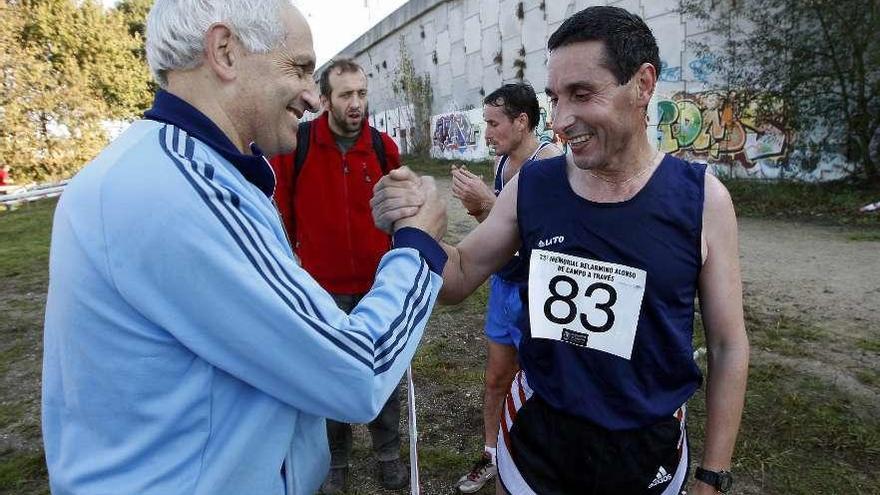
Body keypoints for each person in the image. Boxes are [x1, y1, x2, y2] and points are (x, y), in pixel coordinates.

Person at [41, 2, 447, 495]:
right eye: (298, 67)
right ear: (225, 52)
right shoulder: (178, 191)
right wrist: (418, 244)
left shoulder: (175, 169)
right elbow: (356, 370)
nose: (310, 96)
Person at [373, 6, 749, 495]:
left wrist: (712, 476)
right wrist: (411, 226)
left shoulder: (702, 200)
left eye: (582, 94)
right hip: (537, 445)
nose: (561, 119)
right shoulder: (535, 185)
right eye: (555, 97)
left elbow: (727, 345)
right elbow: (460, 273)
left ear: (643, 84)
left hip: (647, 454)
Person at [268, 58, 407, 494]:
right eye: (346, 95)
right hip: (320, 290)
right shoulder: (298, 145)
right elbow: (281, 216)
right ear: (324, 99)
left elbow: (401, 216)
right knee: (327, 380)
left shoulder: (384, 148)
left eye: (362, 93)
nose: (356, 103)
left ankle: (389, 454)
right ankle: (335, 462)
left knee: (383, 376)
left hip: (376, 287)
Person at [449, 83, 561, 494]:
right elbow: (501, 238)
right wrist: (480, 208)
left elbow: (551, 239)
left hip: (540, 296)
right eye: (485, 124)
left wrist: (489, 203)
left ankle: (531, 460)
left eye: (494, 123)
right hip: (505, 285)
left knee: (539, 383)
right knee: (497, 377)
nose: (487, 133)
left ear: (521, 121)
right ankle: (491, 455)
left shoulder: (549, 165)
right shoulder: (502, 163)